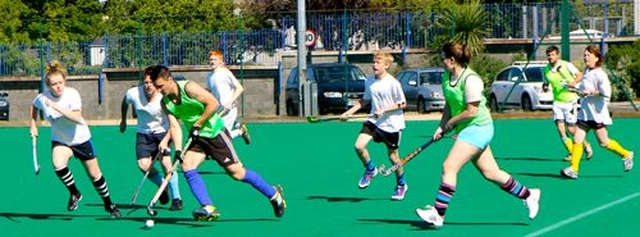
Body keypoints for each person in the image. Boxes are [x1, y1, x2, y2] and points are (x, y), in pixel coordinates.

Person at [415, 43, 540, 228]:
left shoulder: (471, 80)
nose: (440, 60)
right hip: (466, 129)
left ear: (452, 60)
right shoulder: (446, 77)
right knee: (491, 173)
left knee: (449, 166)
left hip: (479, 127)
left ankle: (438, 214)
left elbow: (471, 111)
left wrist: (451, 123)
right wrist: (441, 126)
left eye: (443, 57)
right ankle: (529, 195)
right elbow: (449, 105)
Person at [150, 65, 286, 221]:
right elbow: (174, 126)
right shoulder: (165, 102)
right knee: (187, 165)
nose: (159, 90)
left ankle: (274, 195)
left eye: (160, 86)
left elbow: (213, 103)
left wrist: (198, 124)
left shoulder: (189, 88)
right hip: (197, 137)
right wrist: (179, 150)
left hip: (215, 133)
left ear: (170, 80)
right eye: (156, 87)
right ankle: (208, 207)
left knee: (237, 173)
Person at [29, 60, 120, 218]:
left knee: (94, 175)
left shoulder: (72, 94)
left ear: (65, 81)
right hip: (61, 140)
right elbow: (34, 105)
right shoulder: (43, 98)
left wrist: (56, 106)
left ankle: (108, 203)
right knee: (58, 165)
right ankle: (75, 193)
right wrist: (33, 124)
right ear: (48, 86)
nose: (58, 86)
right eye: (54, 84)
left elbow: (77, 117)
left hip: (81, 139)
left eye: (60, 82)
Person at [340, 51, 408, 201]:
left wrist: (384, 109)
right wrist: (348, 113)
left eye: (378, 62)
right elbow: (364, 101)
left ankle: (401, 184)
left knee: (393, 157)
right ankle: (370, 169)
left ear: (386, 65)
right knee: (359, 146)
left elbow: (403, 103)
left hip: (392, 126)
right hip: (374, 122)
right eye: (373, 62)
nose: (374, 65)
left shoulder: (393, 83)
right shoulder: (369, 81)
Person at [560, 45, 634, 179]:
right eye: (585, 55)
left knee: (604, 142)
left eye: (588, 55)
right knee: (577, 139)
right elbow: (583, 88)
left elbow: (606, 93)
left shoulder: (600, 74)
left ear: (597, 58)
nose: (585, 57)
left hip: (597, 115)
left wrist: (592, 92)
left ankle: (626, 154)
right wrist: (573, 87)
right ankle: (573, 169)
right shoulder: (587, 71)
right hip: (585, 113)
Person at [119, 66, 183, 210]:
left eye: (151, 83)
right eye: (145, 82)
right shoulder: (133, 93)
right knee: (143, 165)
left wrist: (166, 140)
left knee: (167, 165)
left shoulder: (163, 97)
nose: (148, 85)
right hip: (143, 134)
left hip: (163, 133)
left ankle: (177, 199)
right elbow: (124, 103)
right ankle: (162, 186)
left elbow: (174, 123)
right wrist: (123, 120)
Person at [543, 46, 593, 161]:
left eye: (552, 54)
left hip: (570, 101)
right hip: (557, 102)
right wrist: (545, 86)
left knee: (571, 129)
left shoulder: (566, 65)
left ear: (558, 55)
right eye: (549, 55)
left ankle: (585, 144)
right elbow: (546, 82)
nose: (550, 57)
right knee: (560, 129)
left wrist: (573, 83)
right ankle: (572, 152)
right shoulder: (546, 69)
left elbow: (579, 75)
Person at [206, 50, 251, 144]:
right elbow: (209, 92)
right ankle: (237, 124)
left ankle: (240, 131)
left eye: (215, 59)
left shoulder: (225, 72)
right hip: (219, 111)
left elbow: (239, 88)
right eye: (211, 60)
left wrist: (230, 101)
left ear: (221, 62)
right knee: (215, 134)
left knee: (224, 138)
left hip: (229, 109)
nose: (212, 62)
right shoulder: (209, 76)